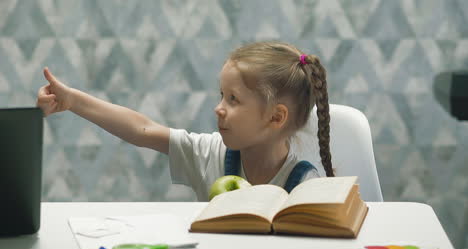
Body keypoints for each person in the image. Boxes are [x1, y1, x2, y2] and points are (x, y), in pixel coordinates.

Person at [36, 41, 334, 201]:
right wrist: (73, 101)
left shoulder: (305, 189)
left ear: (275, 117)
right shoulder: (210, 154)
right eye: (221, 95)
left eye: (234, 100)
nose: (218, 109)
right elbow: (143, 130)